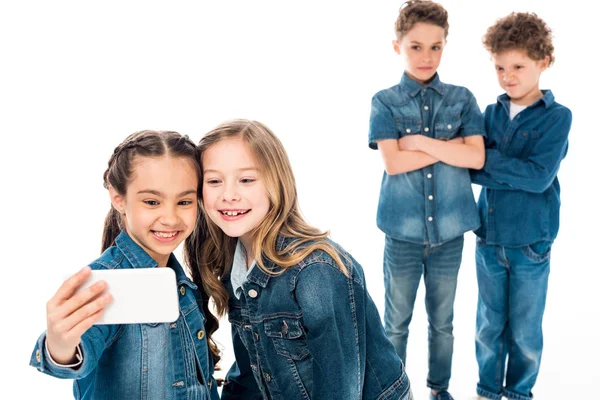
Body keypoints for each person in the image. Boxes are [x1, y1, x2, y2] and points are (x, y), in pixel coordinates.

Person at [186, 119, 412, 399]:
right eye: (214, 181)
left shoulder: (316, 272)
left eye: (246, 180)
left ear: (275, 184)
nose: (229, 195)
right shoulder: (236, 263)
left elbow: (339, 390)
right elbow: (251, 370)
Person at [29, 130, 220, 400]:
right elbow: (72, 355)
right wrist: (59, 345)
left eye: (184, 201)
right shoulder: (105, 282)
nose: (170, 217)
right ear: (119, 198)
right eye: (152, 202)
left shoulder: (182, 283)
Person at [367, 1, 485, 399]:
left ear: (445, 46)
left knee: (443, 322)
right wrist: (448, 147)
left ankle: (440, 389)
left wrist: (419, 142)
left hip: (450, 232)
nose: (426, 56)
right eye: (416, 46)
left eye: (436, 46)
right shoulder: (384, 101)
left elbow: (476, 157)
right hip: (402, 233)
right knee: (396, 322)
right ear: (397, 45)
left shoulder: (463, 99)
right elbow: (394, 162)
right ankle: (393, 390)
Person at [469, 12, 572, 400]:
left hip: (531, 243)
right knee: (487, 327)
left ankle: (518, 393)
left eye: (517, 66)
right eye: (499, 67)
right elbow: (469, 170)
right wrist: (488, 166)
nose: (507, 76)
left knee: (525, 332)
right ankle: (487, 392)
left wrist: (485, 162)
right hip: (489, 239)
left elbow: (538, 177)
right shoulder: (491, 114)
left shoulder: (558, 118)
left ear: (542, 63)